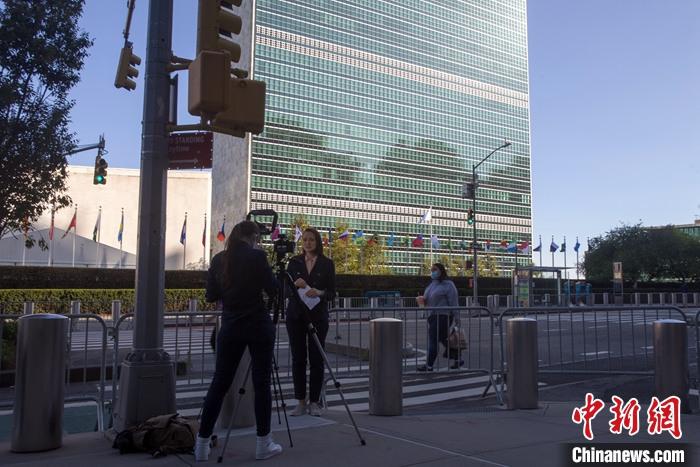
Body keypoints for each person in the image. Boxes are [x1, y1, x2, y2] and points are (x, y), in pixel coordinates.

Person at [195, 220, 282, 462]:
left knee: (220, 382)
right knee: (262, 383)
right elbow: (273, 289)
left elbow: (211, 295)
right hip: (257, 323)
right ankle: (263, 443)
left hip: (230, 325)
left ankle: (201, 444)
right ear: (252, 237)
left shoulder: (218, 260)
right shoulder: (257, 257)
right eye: (257, 238)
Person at [286, 227, 336, 417]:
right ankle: (300, 401)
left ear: (317, 242)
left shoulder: (327, 263)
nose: (307, 243)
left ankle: (315, 401)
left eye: (311, 240)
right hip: (296, 316)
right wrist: (294, 285)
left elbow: (332, 292)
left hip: (318, 316)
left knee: (316, 359)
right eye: (305, 240)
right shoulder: (294, 262)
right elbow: (285, 288)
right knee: (298, 359)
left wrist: (320, 292)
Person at [416, 263, 461, 371]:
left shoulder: (448, 285)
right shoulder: (431, 285)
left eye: (435, 270)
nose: (432, 272)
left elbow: (454, 302)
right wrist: (422, 300)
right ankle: (458, 359)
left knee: (433, 340)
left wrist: (457, 317)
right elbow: (428, 299)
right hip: (432, 316)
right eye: (431, 270)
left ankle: (429, 365)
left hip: (443, 316)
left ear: (441, 271)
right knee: (444, 339)